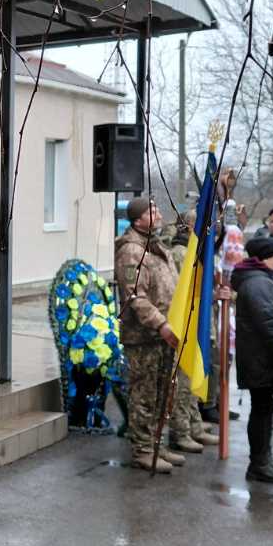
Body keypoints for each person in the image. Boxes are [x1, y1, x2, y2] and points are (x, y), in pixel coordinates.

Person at [113, 197, 182, 473]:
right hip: (144, 335)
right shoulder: (132, 250)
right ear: (137, 219)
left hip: (164, 333)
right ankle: (142, 449)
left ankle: (157, 444)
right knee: (144, 394)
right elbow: (134, 296)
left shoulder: (156, 245)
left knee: (162, 394)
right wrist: (160, 323)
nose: (157, 213)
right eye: (150, 211)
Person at [231, 236, 273, 484]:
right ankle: (259, 464)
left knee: (265, 411)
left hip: (265, 359)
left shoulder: (263, 280)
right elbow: (271, 324)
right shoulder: (258, 284)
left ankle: (264, 460)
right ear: (264, 258)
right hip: (263, 360)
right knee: (262, 411)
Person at [163, 211, 218, 456]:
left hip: (197, 324)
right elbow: (180, 292)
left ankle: (194, 425)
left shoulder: (197, 250)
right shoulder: (180, 253)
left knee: (195, 376)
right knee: (182, 384)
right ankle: (180, 432)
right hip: (184, 324)